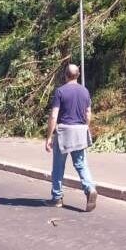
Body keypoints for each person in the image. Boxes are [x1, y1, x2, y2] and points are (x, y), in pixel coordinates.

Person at [44, 63, 97, 211]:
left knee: (58, 167)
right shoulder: (85, 91)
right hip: (80, 130)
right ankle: (90, 189)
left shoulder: (60, 91)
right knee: (81, 164)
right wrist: (85, 128)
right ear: (78, 75)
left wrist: (49, 136)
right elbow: (88, 114)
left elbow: (54, 115)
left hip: (64, 132)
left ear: (66, 75)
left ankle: (57, 198)